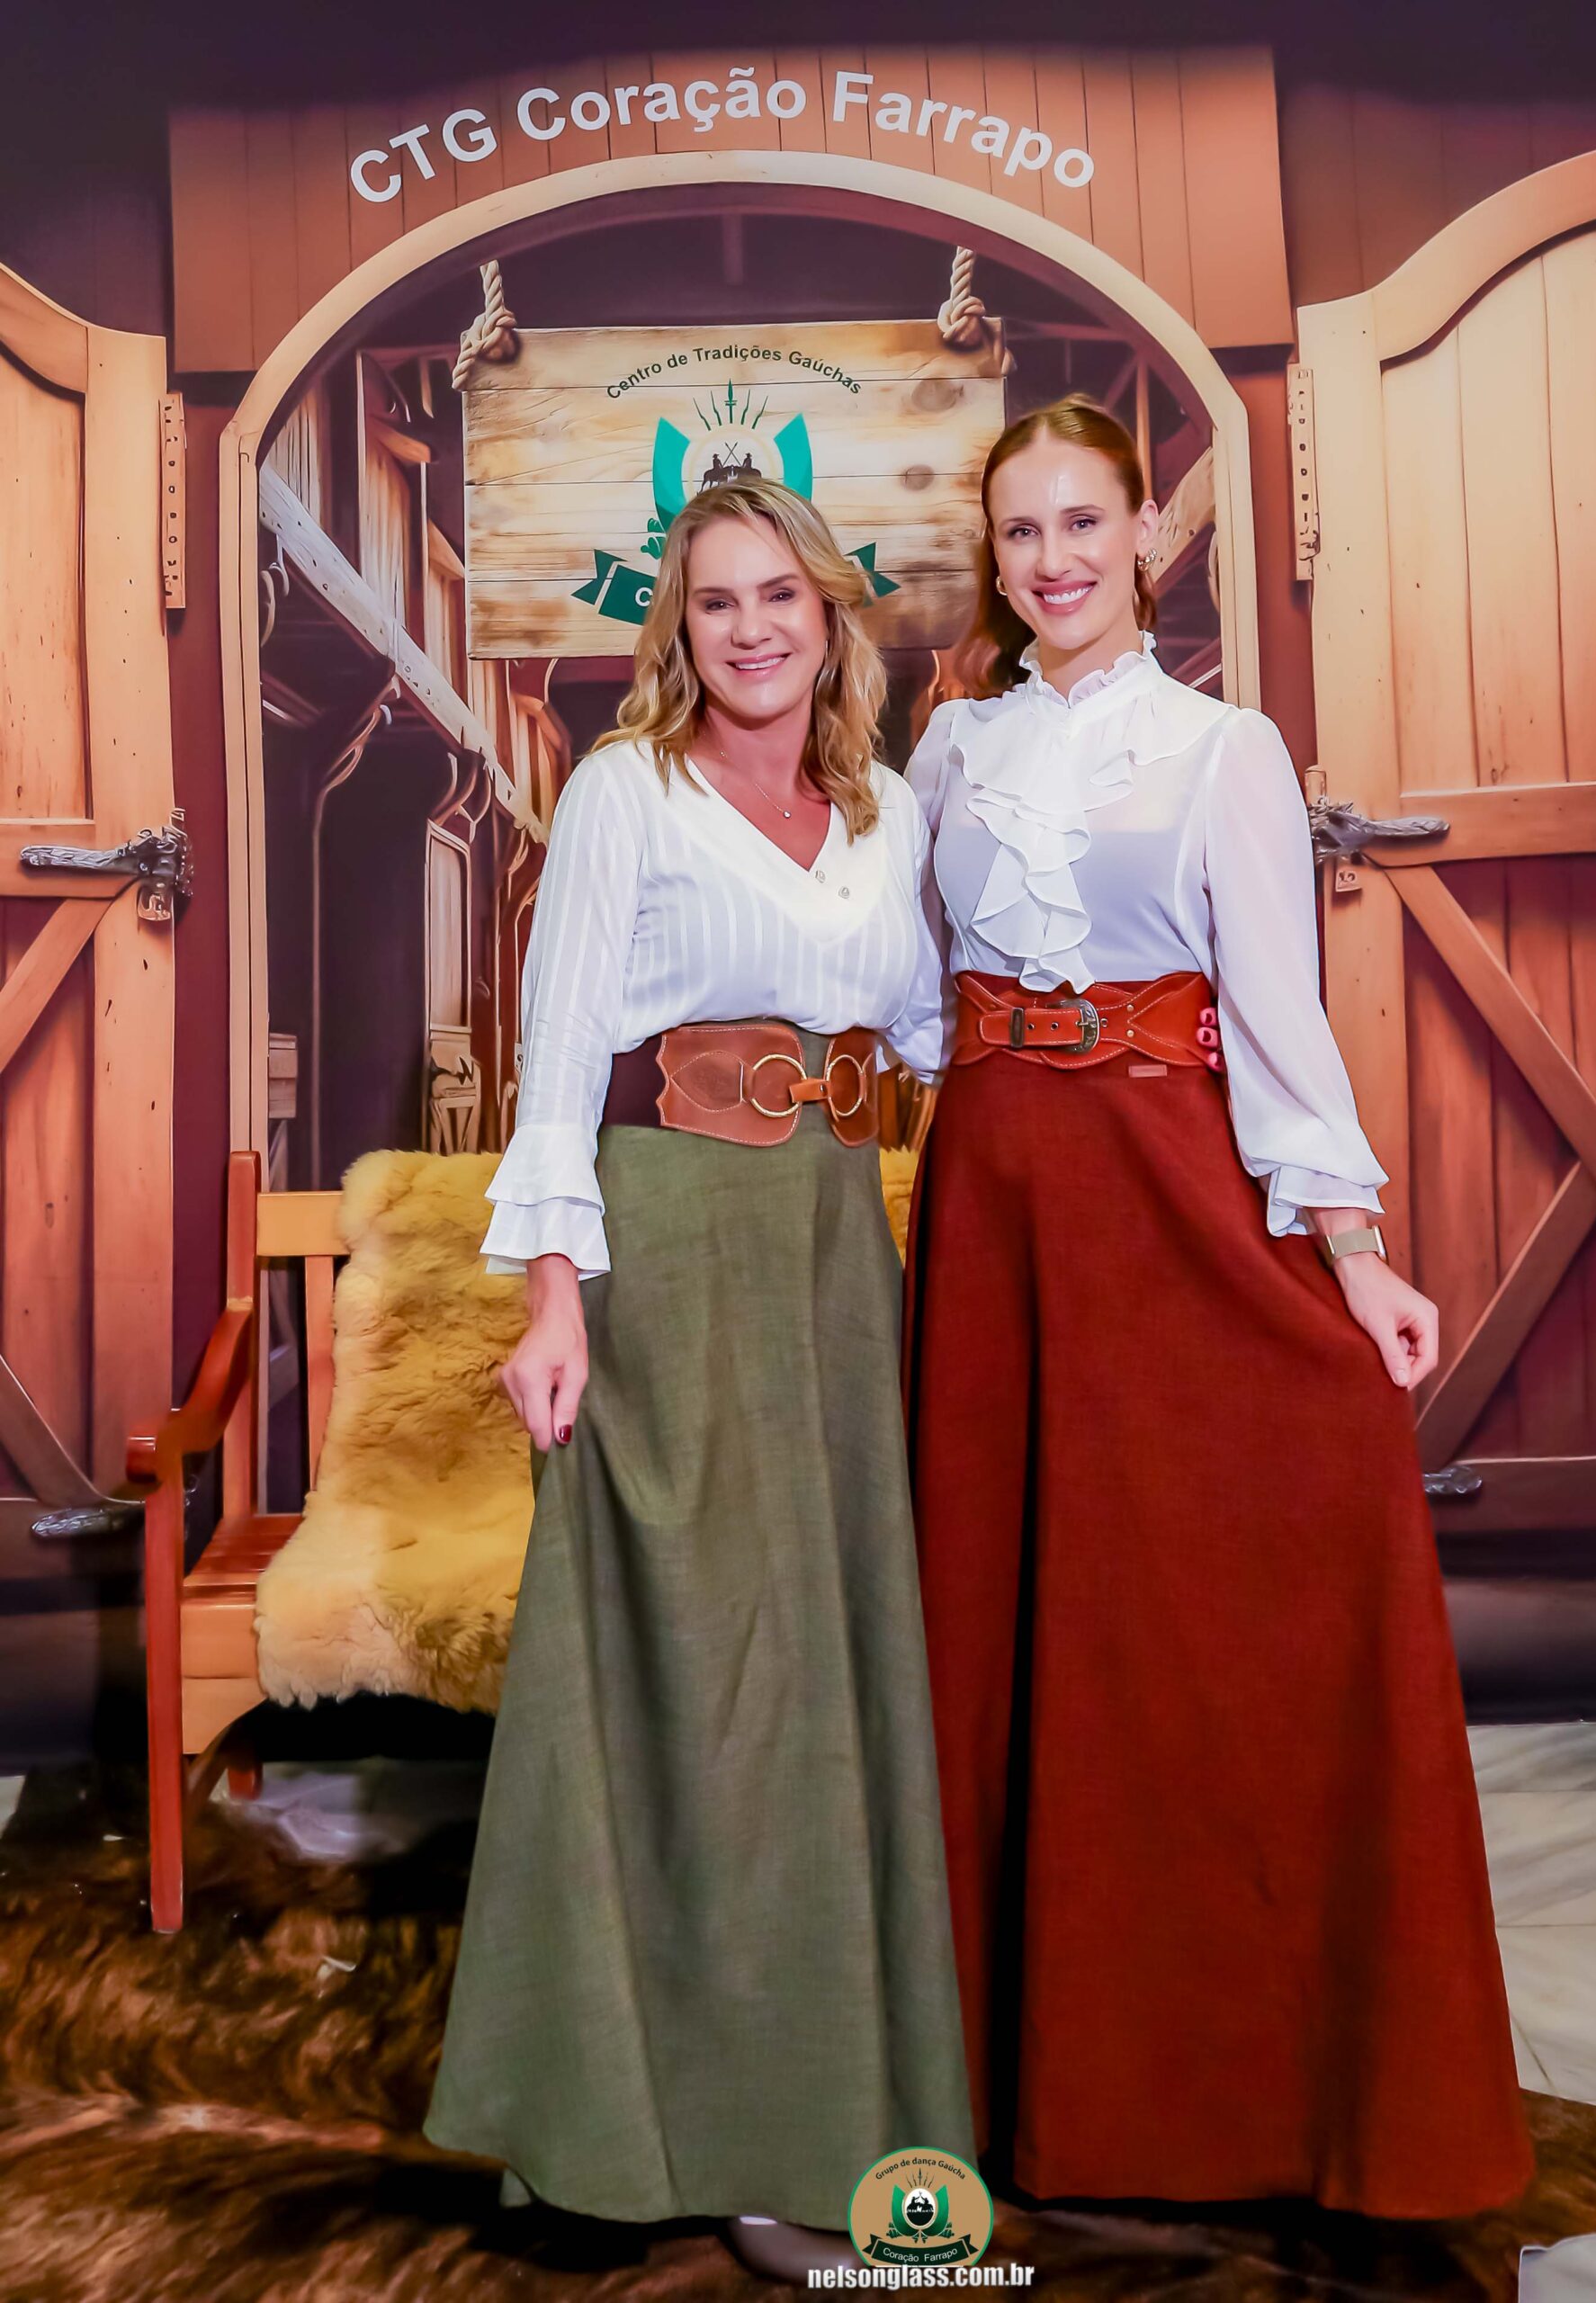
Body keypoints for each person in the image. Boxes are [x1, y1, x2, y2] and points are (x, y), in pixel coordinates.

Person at [902, 396, 1534, 2218]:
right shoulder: (948, 750)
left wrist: (1352, 1245)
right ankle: (1003, 2074)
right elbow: (908, 989)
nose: (1054, 560)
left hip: (1165, 1186)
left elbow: (1273, 1005)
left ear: (1142, 540)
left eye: (1081, 522)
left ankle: (1223, 2081)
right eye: (1021, 532)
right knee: (1006, 1619)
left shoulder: (1222, 748)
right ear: (996, 560)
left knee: (1170, 1615)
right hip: (992, 1199)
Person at [424, 476, 974, 2274]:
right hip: (669, 1243)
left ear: (828, 616)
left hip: (833, 1252)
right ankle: (682, 2127)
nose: (752, 629)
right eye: (717, 601)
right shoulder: (625, 790)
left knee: (829, 1679)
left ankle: (834, 2097)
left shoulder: (888, 809)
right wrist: (554, 1297)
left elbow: (934, 1033)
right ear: (682, 628)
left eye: (779, 597)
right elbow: (559, 1049)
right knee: (705, 1685)